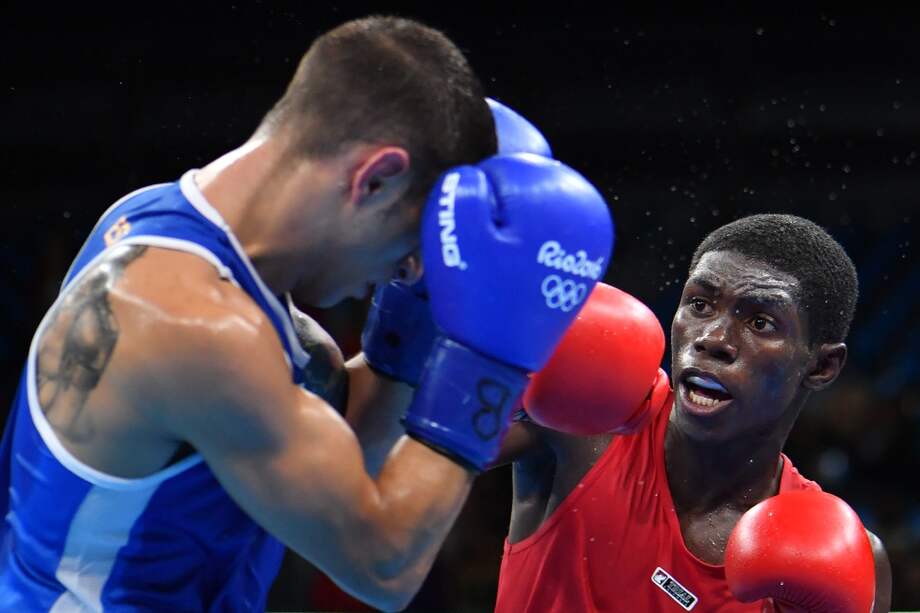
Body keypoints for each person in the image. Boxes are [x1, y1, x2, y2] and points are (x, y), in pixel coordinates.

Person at [0, 15, 616, 612]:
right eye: (414, 244)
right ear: (375, 179)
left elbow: (344, 457)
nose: (411, 272)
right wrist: (490, 357)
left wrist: (413, 325)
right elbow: (383, 566)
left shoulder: (173, 240)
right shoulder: (186, 323)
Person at [494, 213, 894, 612]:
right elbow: (451, 442)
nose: (712, 338)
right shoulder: (592, 420)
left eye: (760, 323)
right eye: (700, 305)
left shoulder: (842, 562)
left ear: (822, 366)